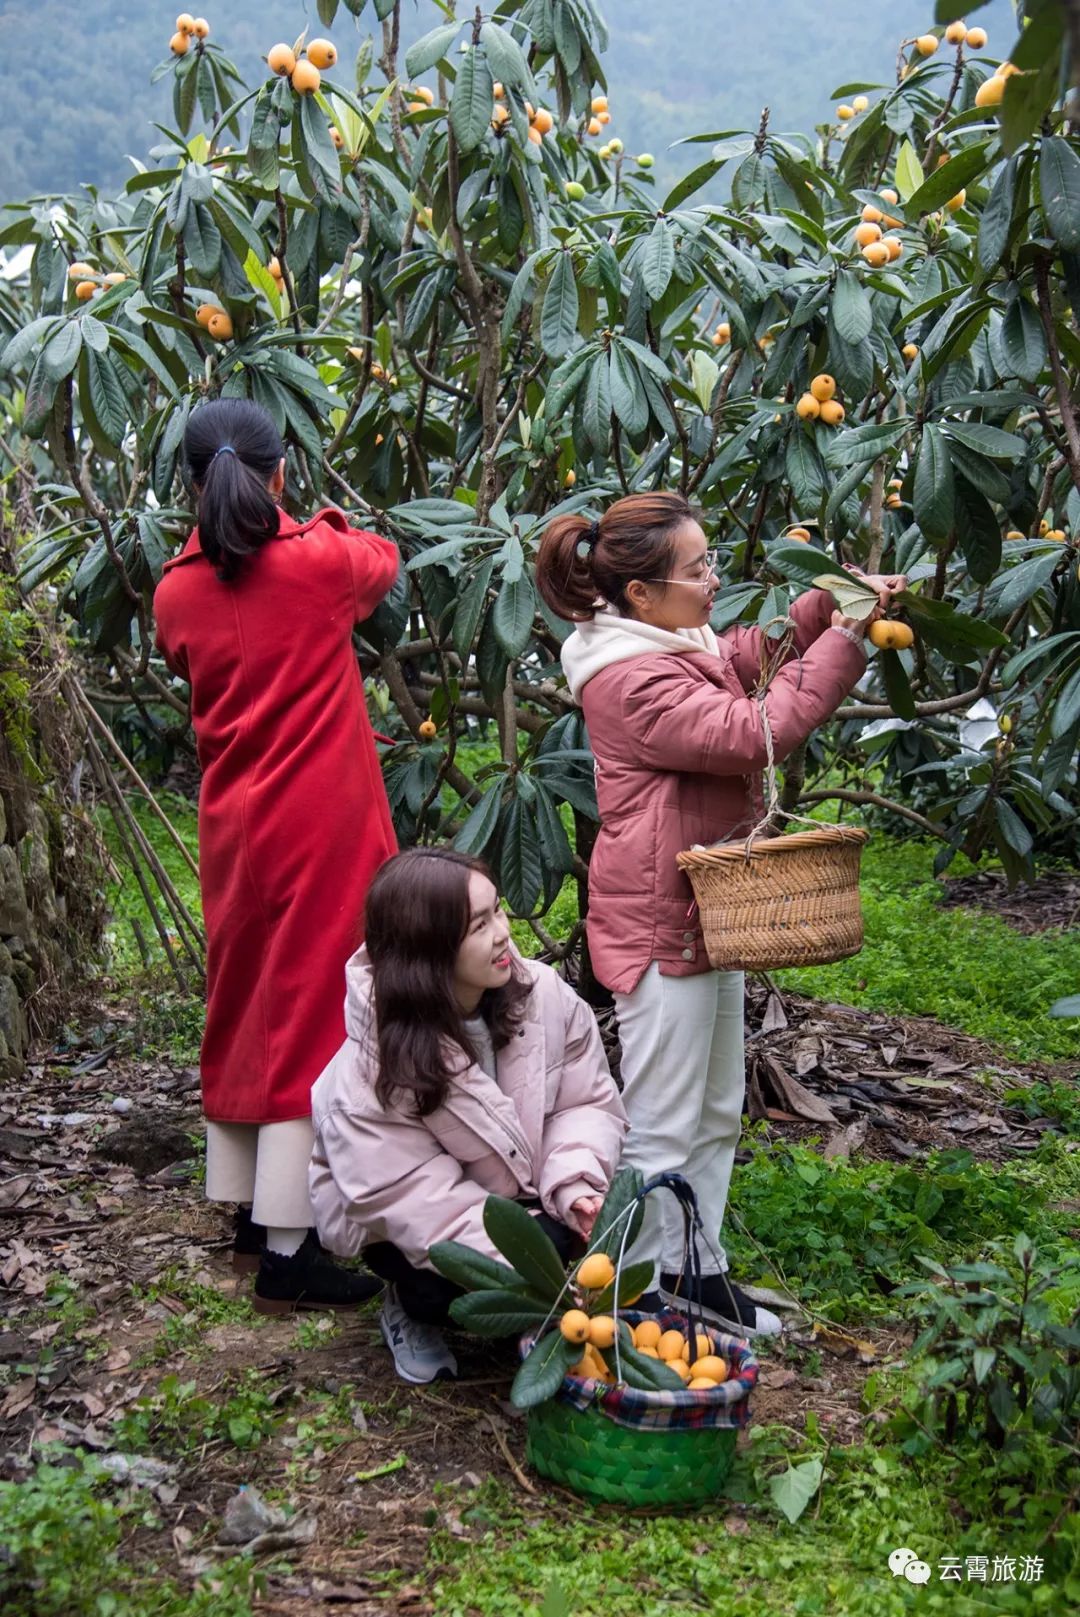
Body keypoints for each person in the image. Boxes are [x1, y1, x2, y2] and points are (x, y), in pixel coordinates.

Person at [535, 491, 905, 1337]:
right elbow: (757, 728)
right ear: (640, 592)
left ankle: (694, 1270)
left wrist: (829, 600)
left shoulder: (672, 638)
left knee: (710, 1109)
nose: (713, 581)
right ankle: (629, 1298)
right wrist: (849, 643)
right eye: (697, 569)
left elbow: (752, 654)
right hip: (661, 923)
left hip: (703, 910)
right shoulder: (626, 676)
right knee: (662, 1121)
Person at [153, 398, 401, 1314]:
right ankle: (290, 1250)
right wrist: (315, 521)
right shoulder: (317, 565)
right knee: (311, 1010)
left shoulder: (173, 590)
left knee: (246, 993)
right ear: (280, 475)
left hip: (234, 821)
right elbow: (383, 557)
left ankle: (245, 1202)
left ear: (189, 482)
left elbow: (193, 653)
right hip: (320, 818)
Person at [308, 847, 627, 1384]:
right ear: (428, 950)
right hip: (404, 1228)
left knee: (575, 1231)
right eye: (478, 925)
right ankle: (408, 1307)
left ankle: (526, 1286)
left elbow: (583, 1103)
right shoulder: (369, 1070)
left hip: (522, 1193)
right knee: (442, 1287)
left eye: (498, 910)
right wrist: (524, 1249)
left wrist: (575, 1186)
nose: (503, 932)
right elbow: (406, 1195)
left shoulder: (542, 999)